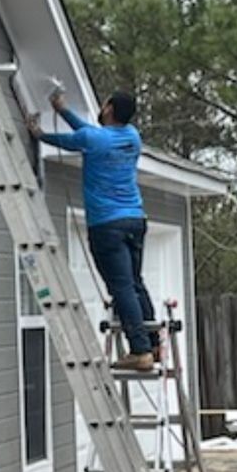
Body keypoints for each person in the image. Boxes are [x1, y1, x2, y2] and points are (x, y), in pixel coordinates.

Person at [27, 88, 158, 371]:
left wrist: (40, 135)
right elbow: (89, 133)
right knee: (135, 283)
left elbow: (76, 138)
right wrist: (62, 110)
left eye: (104, 104)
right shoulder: (132, 137)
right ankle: (153, 341)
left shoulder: (94, 139)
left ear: (109, 109)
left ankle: (140, 350)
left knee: (121, 286)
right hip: (135, 219)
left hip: (107, 225)